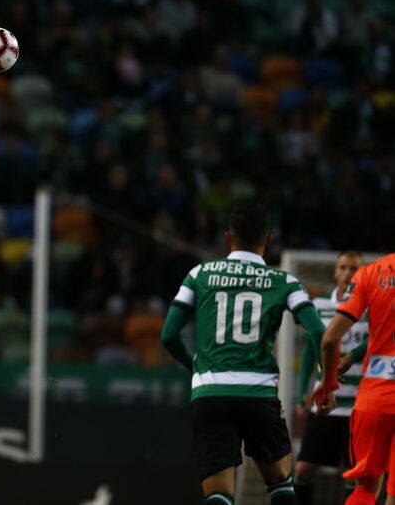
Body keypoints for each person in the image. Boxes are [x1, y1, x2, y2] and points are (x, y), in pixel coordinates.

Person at [161, 202, 326, 505]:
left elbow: (168, 335)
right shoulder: (285, 282)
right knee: (280, 483)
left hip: (210, 393)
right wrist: (327, 380)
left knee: (219, 493)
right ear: (269, 239)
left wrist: (194, 366)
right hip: (258, 394)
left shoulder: (199, 274)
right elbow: (317, 333)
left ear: (227, 236)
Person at [313, 251, 395, 505]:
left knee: (365, 490)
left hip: (374, 399)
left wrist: (328, 384)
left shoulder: (371, 273)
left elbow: (329, 339)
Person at [294, 251, 367, 505]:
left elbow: (378, 341)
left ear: (362, 273)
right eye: (344, 268)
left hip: (358, 407)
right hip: (324, 404)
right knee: (303, 468)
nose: (348, 273)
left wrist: (351, 357)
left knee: (355, 475)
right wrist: (302, 389)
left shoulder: (372, 307)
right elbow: (310, 349)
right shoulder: (320, 305)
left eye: (354, 268)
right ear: (335, 272)